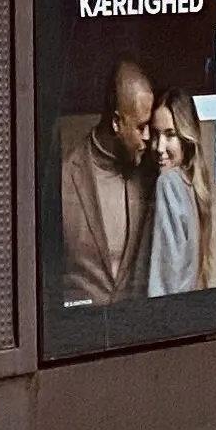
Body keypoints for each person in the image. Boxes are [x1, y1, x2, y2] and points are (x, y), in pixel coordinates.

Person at [57, 58, 157, 306]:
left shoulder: (151, 175)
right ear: (116, 122)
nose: (148, 138)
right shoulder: (64, 176)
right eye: (141, 127)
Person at [141, 95, 207, 297]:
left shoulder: (168, 183)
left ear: (186, 139)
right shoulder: (191, 184)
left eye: (170, 135)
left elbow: (163, 282)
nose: (159, 148)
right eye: (155, 134)